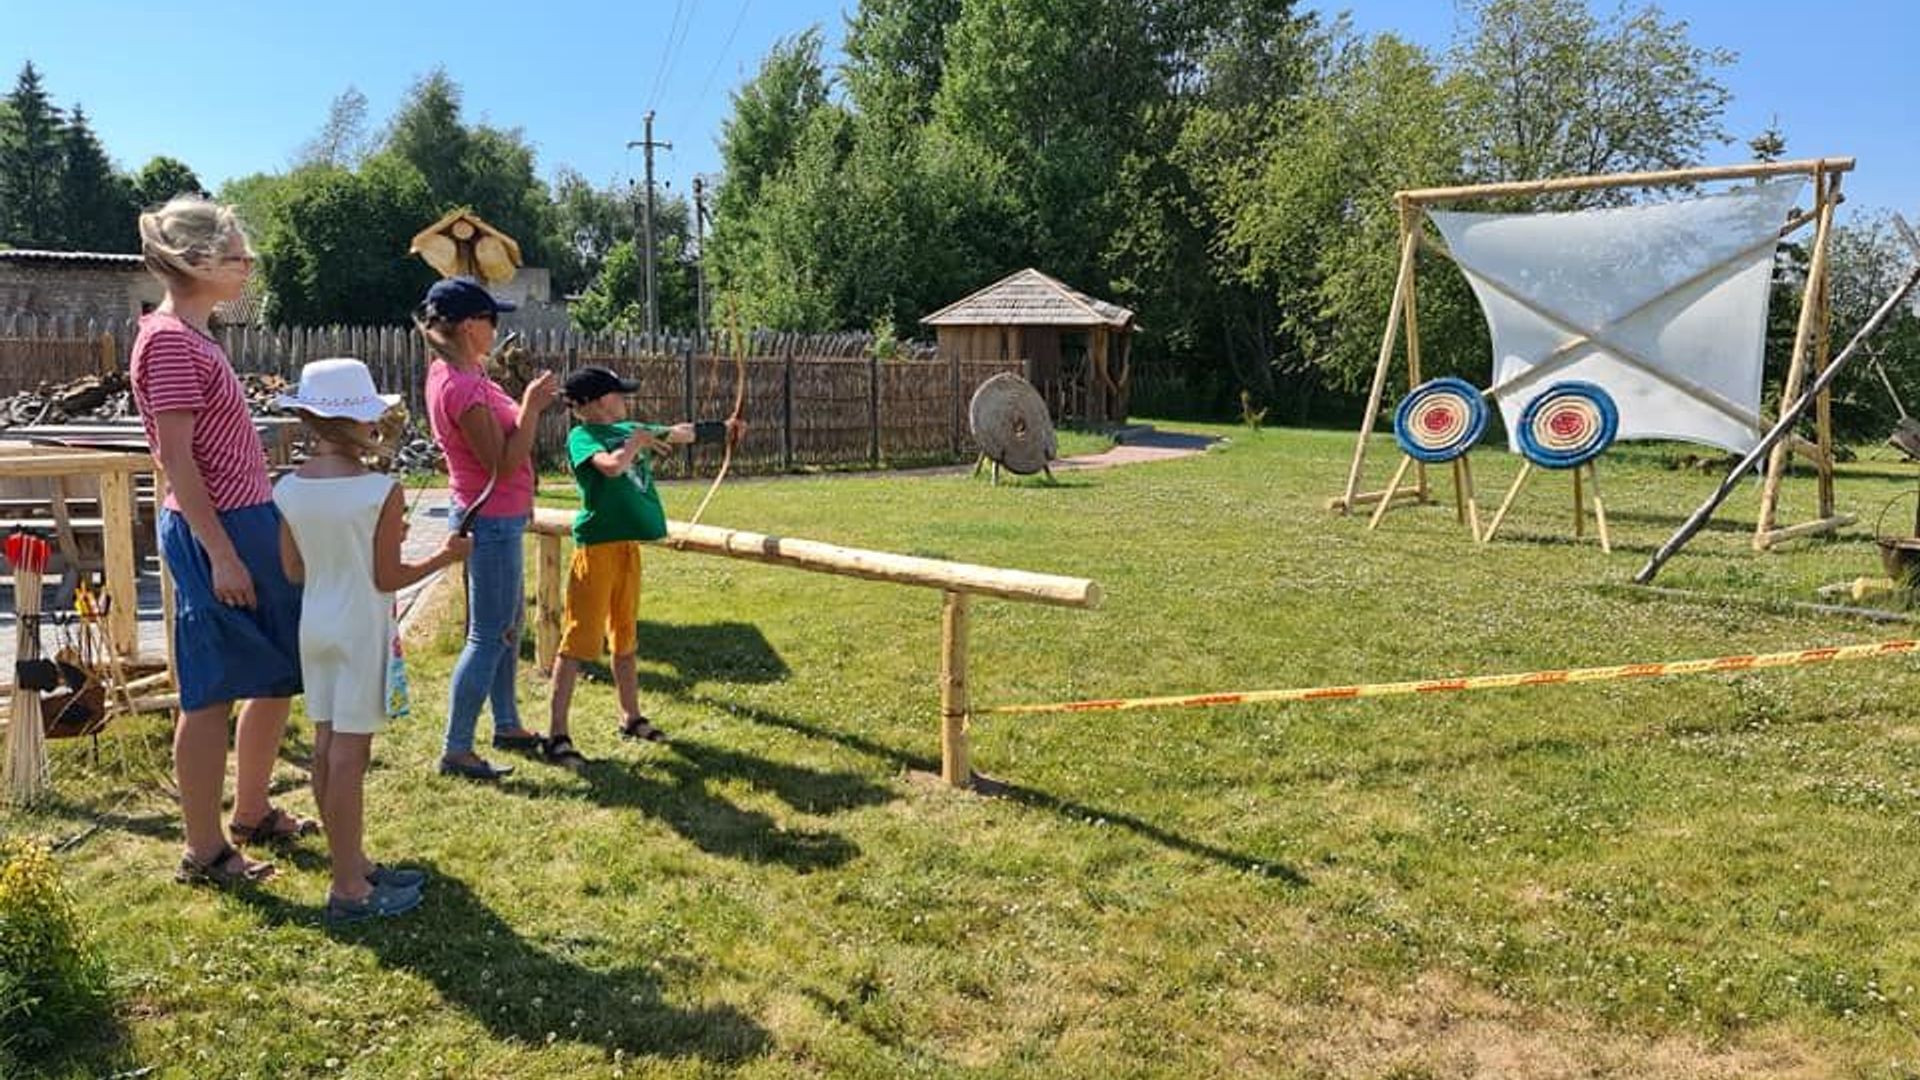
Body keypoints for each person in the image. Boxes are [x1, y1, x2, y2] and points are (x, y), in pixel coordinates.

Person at [131, 195, 308, 886]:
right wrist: (224, 552)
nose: (249, 267)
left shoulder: (195, 336)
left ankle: (254, 811)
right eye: (239, 255)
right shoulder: (171, 340)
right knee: (209, 693)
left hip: (245, 520)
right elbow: (176, 461)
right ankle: (203, 852)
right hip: (218, 530)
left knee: (274, 674)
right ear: (197, 260)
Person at [274, 358, 472, 921]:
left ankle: (351, 861)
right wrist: (444, 555)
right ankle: (349, 888)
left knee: (324, 746)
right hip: (361, 627)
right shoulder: (381, 489)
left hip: (315, 625)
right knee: (348, 757)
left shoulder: (289, 486)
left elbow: (292, 569)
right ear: (360, 421)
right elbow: (387, 578)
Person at [542, 367, 743, 765]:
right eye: (619, 395)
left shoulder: (632, 427)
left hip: (626, 549)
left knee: (625, 636)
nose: (625, 401)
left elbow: (679, 432)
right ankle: (556, 736)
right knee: (578, 642)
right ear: (599, 402)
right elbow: (612, 467)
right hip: (596, 549)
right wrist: (634, 443)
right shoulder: (582, 437)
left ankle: (630, 716)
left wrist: (723, 429)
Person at [418, 277, 557, 780]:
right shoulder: (461, 387)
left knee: (507, 628)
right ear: (470, 325)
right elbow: (500, 461)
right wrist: (532, 408)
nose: (497, 328)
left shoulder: (459, 373)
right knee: (488, 635)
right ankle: (456, 748)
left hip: (498, 517)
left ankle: (507, 724)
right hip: (491, 521)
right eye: (491, 319)